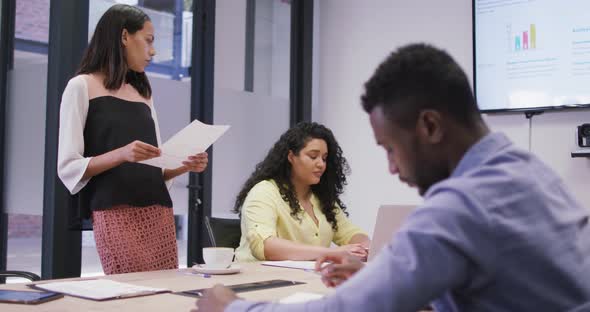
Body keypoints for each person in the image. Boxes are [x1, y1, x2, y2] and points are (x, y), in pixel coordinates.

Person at [195, 43, 590, 311]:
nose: (392, 168)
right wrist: (381, 277)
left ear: (430, 126)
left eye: (390, 148)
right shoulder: (526, 170)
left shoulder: (461, 207)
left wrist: (233, 307)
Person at [57, 4, 208, 275]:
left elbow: (155, 167)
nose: (153, 51)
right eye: (148, 40)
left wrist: (185, 164)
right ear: (125, 36)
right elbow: (68, 166)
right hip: (114, 212)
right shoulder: (81, 86)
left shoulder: (143, 92)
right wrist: (121, 154)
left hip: (158, 210)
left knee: (164, 293)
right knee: (130, 292)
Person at [233, 122, 370, 262]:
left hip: (306, 280)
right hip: (258, 280)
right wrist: (330, 253)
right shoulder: (263, 192)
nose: (321, 164)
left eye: (324, 158)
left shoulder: (321, 198)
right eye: (313, 156)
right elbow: (266, 246)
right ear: (291, 157)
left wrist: (365, 247)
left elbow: (349, 233)